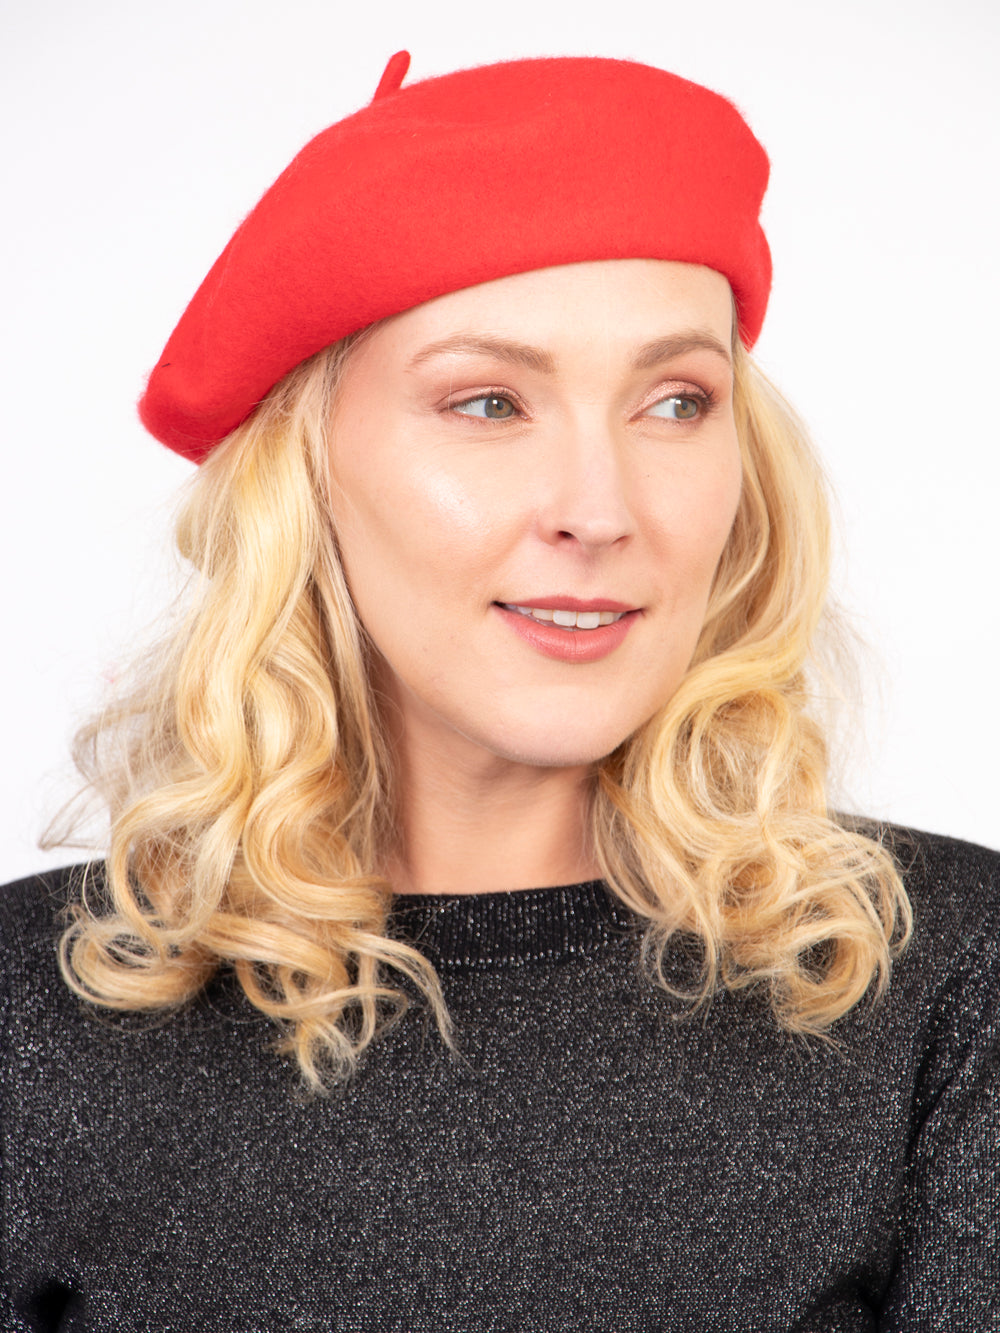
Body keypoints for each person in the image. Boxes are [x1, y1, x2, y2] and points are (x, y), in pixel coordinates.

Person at [1, 51, 997, 1333]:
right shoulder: (34, 1015)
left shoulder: (940, 981)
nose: (599, 509)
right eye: (487, 401)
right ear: (303, 475)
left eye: (675, 402)